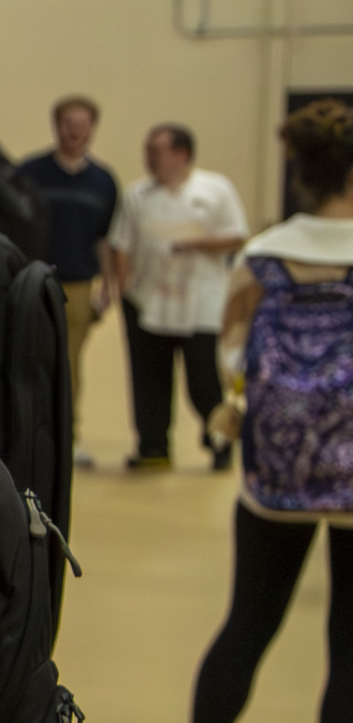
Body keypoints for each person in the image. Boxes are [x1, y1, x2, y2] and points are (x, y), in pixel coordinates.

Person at [172, 98, 353, 723]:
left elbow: (232, 358)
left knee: (249, 618)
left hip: (274, 472)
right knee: (350, 637)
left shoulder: (264, 253)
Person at [108, 123, 247, 470]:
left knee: (204, 382)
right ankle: (153, 448)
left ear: (181, 154)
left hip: (201, 303)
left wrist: (195, 244)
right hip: (148, 301)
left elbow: (236, 236)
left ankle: (219, 442)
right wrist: (120, 287)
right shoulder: (138, 195)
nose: (149, 158)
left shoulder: (215, 189)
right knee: (149, 380)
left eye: (156, 151)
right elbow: (121, 243)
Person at [16, 95, 122, 468]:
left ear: (92, 129)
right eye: (68, 124)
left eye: (82, 124)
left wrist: (109, 286)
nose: (75, 131)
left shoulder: (103, 182)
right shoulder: (29, 172)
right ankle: (26, 437)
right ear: (56, 126)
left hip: (78, 285)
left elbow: (106, 239)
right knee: (31, 359)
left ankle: (66, 440)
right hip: (33, 279)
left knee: (69, 362)